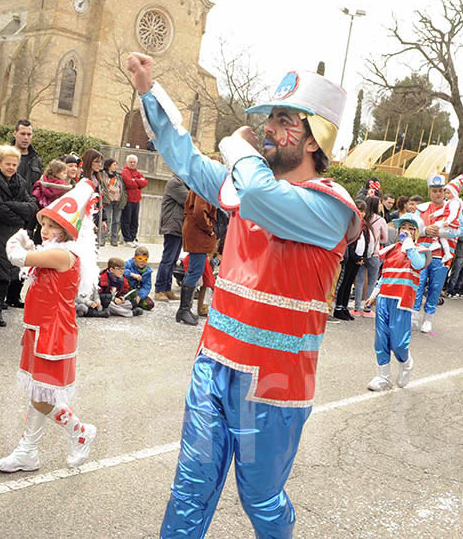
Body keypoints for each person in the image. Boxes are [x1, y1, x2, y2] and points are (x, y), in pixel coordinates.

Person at [129, 55, 360, 537]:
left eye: (284, 120)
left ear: (314, 138)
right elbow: (188, 161)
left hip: (274, 385)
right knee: (190, 487)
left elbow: (259, 196)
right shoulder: (250, 185)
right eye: (270, 118)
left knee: (261, 500)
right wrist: (151, 93)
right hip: (214, 362)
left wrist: (237, 146)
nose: (270, 128)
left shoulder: (330, 207)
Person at [0, 180, 100, 472]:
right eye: (45, 224)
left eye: (53, 226)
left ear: (67, 231)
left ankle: (75, 433)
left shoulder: (64, 254)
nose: (46, 230)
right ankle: (32, 450)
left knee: (42, 394)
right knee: (40, 394)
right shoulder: (56, 251)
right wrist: (32, 243)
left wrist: (17, 239)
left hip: (53, 331)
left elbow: (16, 257)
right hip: (41, 327)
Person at [362, 213, 428, 391]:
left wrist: (409, 246)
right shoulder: (390, 250)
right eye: (403, 227)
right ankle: (383, 377)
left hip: (402, 301)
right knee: (381, 340)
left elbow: (417, 265)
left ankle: (406, 362)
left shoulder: (420, 251)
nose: (405, 231)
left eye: (410, 228)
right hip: (384, 299)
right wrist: (374, 294)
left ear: (416, 233)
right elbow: (385, 276)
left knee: (398, 343)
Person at [0, 145, 38, 327]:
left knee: (6, 274)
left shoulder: (20, 182)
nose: (11, 167)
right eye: (7, 163)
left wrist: (13, 208)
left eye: (14, 164)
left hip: (12, 235)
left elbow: (31, 206)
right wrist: (19, 216)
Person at [411, 174, 463, 333]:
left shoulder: (454, 207)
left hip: (442, 255)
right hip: (421, 252)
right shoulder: (421, 209)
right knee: (418, 284)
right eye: (434, 191)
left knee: (436, 287)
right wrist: (424, 231)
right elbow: (411, 228)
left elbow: (462, 229)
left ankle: (428, 317)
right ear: (430, 192)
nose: (438, 194)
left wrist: (445, 232)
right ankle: (414, 315)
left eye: (441, 190)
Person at [5, 120, 42, 308]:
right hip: (9, 212)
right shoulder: (7, 154)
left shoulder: (36, 159)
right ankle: (0, 295)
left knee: (23, 254)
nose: (26, 137)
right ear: (15, 133)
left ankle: (14, 295)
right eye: (23, 134)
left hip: (28, 215)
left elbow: (38, 188)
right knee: (6, 253)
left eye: (29, 134)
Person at [177, 189, 217, 325]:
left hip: (196, 232)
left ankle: (184, 310)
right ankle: (183, 310)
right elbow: (200, 212)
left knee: (195, 270)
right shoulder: (203, 187)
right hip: (198, 233)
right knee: (195, 271)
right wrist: (210, 228)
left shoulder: (200, 185)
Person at [332, 200, 368, 321]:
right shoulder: (350, 223)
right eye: (359, 210)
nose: (361, 213)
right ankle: (338, 307)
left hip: (359, 259)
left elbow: (365, 242)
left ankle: (344, 307)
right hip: (350, 259)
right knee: (343, 283)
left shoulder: (364, 225)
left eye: (363, 211)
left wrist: (363, 257)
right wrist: (355, 257)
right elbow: (349, 243)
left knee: (349, 284)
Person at [154, 174, 187, 302]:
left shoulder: (183, 182)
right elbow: (188, 199)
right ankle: (159, 290)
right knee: (167, 259)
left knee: (173, 260)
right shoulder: (176, 182)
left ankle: (167, 289)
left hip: (178, 226)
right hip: (172, 225)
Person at [353, 195, 388, 317]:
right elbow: (385, 238)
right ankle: (367, 309)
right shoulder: (380, 220)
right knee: (372, 282)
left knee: (359, 280)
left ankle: (356, 309)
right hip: (374, 254)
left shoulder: (362, 219)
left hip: (361, 254)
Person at [79, 149, 106, 245]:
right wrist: (89, 222)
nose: (99, 164)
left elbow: (100, 201)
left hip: (95, 217)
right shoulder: (82, 179)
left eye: (100, 162)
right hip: (83, 220)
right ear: (89, 162)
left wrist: (103, 219)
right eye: (96, 162)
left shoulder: (96, 180)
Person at [121, 154, 148, 246]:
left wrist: (135, 180)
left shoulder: (137, 172)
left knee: (134, 221)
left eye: (134, 162)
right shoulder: (125, 171)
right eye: (131, 162)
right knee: (126, 220)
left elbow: (145, 182)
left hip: (136, 200)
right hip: (128, 199)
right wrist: (138, 181)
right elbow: (129, 183)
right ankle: (127, 239)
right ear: (127, 162)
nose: (132, 164)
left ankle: (133, 238)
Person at [100, 158, 127, 246]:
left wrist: (124, 199)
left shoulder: (118, 176)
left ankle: (114, 239)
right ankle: (102, 238)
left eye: (116, 165)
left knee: (116, 220)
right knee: (106, 219)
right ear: (108, 166)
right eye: (114, 164)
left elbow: (123, 188)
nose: (116, 166)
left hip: (117, 200)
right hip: (107, 201)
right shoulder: (102, 174)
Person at [124, 246, 155, 311]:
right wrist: (131, 274)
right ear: (135, 258)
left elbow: (147, 286)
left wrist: (139, 296)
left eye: (145, 260)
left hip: (137, 292)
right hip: (126, 290)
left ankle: (135, 303)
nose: (142, 262)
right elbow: (120, 271)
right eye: (140, 259)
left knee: (150, 304)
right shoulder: (128, 264)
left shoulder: (147, 271)